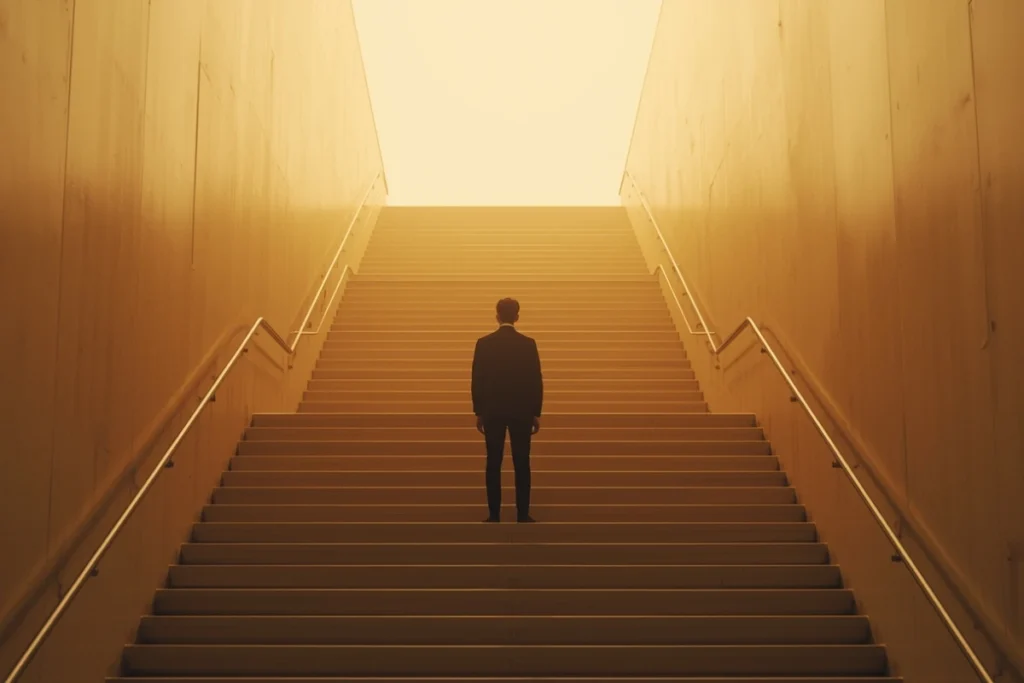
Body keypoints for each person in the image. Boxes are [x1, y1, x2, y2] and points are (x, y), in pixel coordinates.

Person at [471, 297, 543, 523]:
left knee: (493, 462)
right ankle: (522, 514)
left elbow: (477, 379)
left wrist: (479, 411)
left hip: (493, 411)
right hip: (521, 412)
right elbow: (535, 380)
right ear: (517, 317)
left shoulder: (484, 343)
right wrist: (535, 412)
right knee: (522, 463)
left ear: (497, 316)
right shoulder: (528, 344)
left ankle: (494, 514)